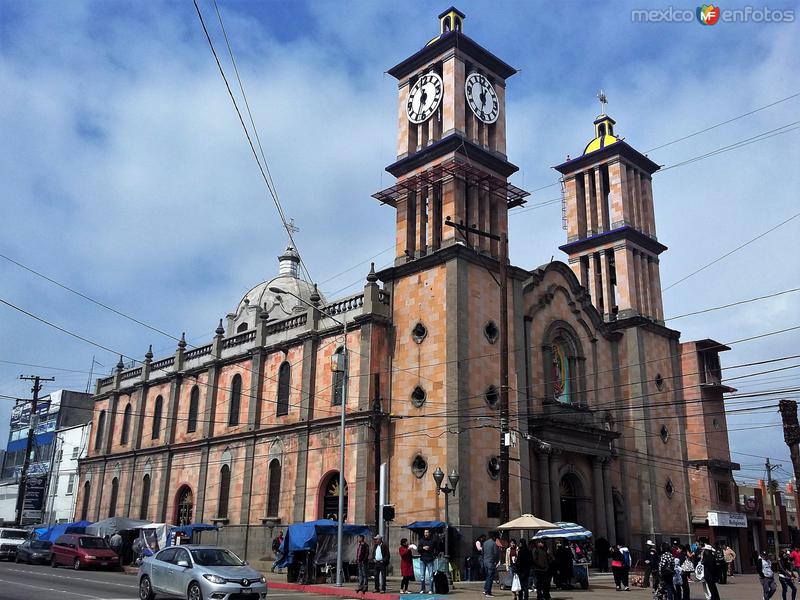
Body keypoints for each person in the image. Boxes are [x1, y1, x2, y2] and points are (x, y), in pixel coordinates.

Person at [418, 529, 436, 594]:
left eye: (427, 532)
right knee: (422, 575)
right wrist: (423, 548)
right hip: (422, 559)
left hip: (430, 560)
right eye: (425, 532)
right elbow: (418, 549)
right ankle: (423, 589)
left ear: (429, 533)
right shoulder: (421, 540)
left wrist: (434, 555)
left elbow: (436, 548)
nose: (426, 534)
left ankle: (431, 589)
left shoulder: (432, 541)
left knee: (431, 575)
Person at [483, 532, 499, 597]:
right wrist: (496, 561)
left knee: (487, 577)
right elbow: (496, 554)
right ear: (494, 537)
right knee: (490, 578)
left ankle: (485, 589)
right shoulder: (493, 544)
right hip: (491, 562)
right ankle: (488, 592)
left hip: (485, 562)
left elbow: (483, 552)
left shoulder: (485, 543)